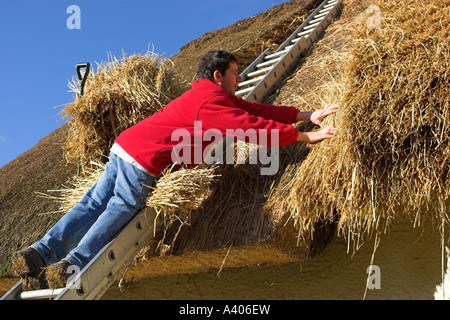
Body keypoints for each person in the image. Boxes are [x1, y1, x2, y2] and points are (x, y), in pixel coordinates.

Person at [12, 50, 338, 289]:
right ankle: (75, 264)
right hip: (144, 158)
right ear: (217, 76)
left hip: (125, 146)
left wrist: (305, 113)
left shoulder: (206, 95)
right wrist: (305, 136)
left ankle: (39, 252)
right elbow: (252, 128)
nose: (239, 79)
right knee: (120, 208)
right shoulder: (210, 104)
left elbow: (255, 109)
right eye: (235, 73)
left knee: (91, 204)